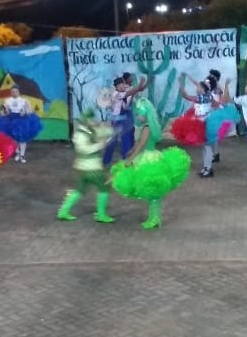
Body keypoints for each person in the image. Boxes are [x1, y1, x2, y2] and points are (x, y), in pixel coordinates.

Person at [111, 97, 191, 229]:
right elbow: (139, 144)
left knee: (152, 190)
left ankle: (155, 218)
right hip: (150, 155)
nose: (137, 117)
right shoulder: (147, 127)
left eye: (139, 114)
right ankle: (154, 217)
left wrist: (130, 160)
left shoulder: (147, 128)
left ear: (145, 114)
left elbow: (141, 145)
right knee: (152, 191)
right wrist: (132, 150)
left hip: (148, 158)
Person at [172, 73, 239, 178]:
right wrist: (217, 111)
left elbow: (185, 95)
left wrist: (180, 83)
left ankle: (208, 169)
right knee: (205, 148)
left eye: (198, 86)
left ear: (202, 89)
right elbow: (216, 105)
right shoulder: (207, 96)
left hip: (204, 125)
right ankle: (206, 167)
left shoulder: (200, 98)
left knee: (206, 148)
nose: (197, 87)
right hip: (204, 123)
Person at [57, 111, 116, 223]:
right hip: (91, 167)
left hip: (84, 168)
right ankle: (101, 214)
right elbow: (83, 149)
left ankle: (63, 211)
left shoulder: (91, 130)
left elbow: (107, 132)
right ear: (86, 120)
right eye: (92, 119)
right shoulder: (80, 134)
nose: (94, 121)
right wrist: (99, 145)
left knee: (79, 190)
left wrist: (106, 127)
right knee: (104, 187)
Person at [103, 73, 149, 167]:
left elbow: (136, 90)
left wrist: (146, 82)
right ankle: (106, 160)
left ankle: (126, 160)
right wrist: (140, 83)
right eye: (122, 84)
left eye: (124, 84)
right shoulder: (116, 94)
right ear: (117, 86)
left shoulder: (124, 90)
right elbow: (130, 93)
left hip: (124, 119)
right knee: (113, 141)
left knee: (127, 140)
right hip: (117, 120)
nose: (124, 86)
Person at [0, 87, 42, 163]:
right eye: (13, 91)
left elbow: (29, 110)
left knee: (22, 138)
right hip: (11, 120)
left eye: (16, 91)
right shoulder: (7, 100)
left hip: (22, 120)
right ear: (11, 92)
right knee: (13, 139)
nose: (14, 93)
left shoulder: (24, 100)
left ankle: (22, 155)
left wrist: (25, 112)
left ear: (19, 92)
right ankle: (17, 153)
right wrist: (5, 112)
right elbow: (3, 111)